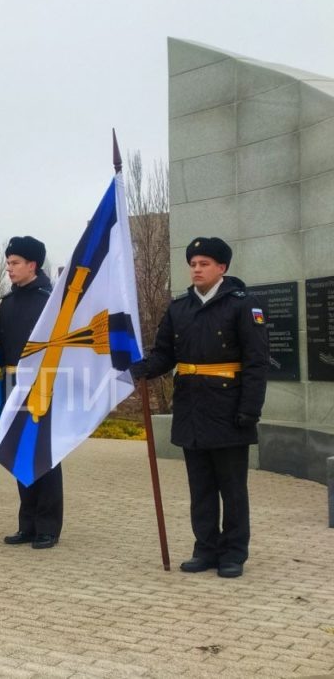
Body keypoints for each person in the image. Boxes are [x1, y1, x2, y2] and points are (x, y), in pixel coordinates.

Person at [130, 237, 267, 578]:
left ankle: (233, 552)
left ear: (222, 268)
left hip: (229, 408)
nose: (196, 269)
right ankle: (205, 548)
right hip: (191, 408)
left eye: (204, 263)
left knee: (232, 488)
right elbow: (165, 354)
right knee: (200, 486)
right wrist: (142, 368)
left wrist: (250, 410)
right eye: (193, 263)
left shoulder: (243, 305)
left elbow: (256, 363)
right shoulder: (179, 309)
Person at [0, 236, 62, 549]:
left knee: (44, 457)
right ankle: (27, 523)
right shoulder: (7, 304)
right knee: (20, 453)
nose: (8, 268)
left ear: (32, 265)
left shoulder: (50, 302)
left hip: (43, 387)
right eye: (8, 262)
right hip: (12, 387)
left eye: (15, 263)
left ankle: (48, 526)